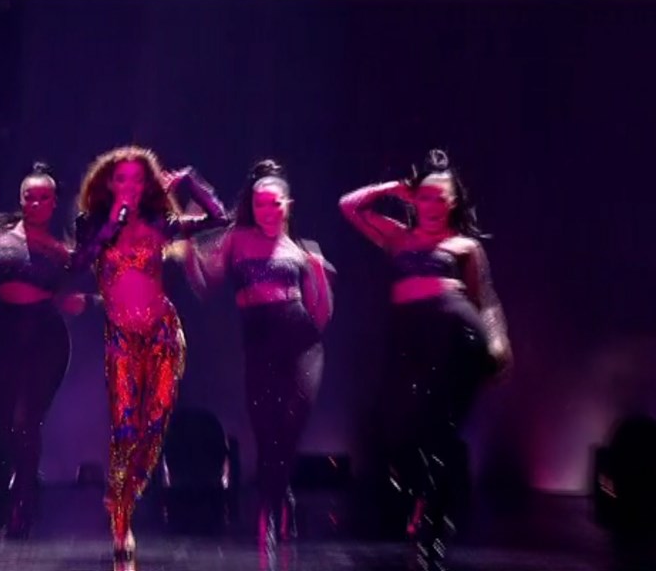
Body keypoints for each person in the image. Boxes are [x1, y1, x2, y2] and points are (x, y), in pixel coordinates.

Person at [338, 148, 512, 571]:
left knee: (441, 436)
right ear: (415, 200)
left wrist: (497, 340)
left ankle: (432, 525)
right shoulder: (398, 237)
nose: (432, 205)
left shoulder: (465, 247)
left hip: (457, 342)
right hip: (410, 345)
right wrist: (395, 188)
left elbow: (486, 299)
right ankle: (427, 505)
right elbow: (349, 206)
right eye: (425, 197)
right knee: (401, 432)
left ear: (453, 203)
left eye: (440, 198)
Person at [67, 146, 230, 561]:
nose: (131, 187)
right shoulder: (91, 224)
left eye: (139, 180)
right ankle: (121, 521)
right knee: (125, 429)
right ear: (109, 183)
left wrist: (191, 179)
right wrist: (114, 222)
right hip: (122, 338)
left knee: (154, 426)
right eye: (123, 179)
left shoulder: (160, 222)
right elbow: (78, 263)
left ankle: (126, 491)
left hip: (163, 335)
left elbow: (219, 218)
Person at [184, 159, 334, 552]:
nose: (268, 210)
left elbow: (320, 316)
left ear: (288, 205)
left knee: (291, 426)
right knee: (267, 431)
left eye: (275, 203)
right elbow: (204, 284)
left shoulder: (300, 250)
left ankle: (272, 505)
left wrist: (318, 274)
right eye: (260, 203)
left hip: (303, 344)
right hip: (260, 344)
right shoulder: (237, 239)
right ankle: (277, 501)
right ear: (252, 205)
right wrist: (189, 248)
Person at [0, 162, 88, 539]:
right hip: (4, 337)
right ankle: (26, 477)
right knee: (3, 420)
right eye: (30, 197)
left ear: (53, 203)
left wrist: (72, 301)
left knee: (28, 421)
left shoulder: (60, 251)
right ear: (21, 199)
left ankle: (21, 503)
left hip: (46, 340)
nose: (36, 204)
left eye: (44, 198)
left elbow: (68, 293)